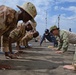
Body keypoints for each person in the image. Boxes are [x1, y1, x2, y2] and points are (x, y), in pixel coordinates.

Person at [0, 2, 37, 69]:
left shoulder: (14, 22)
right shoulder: (7, 13)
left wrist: (7, 53)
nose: (29, 20)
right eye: (29, 17)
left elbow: (5, 37)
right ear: (24, 12)